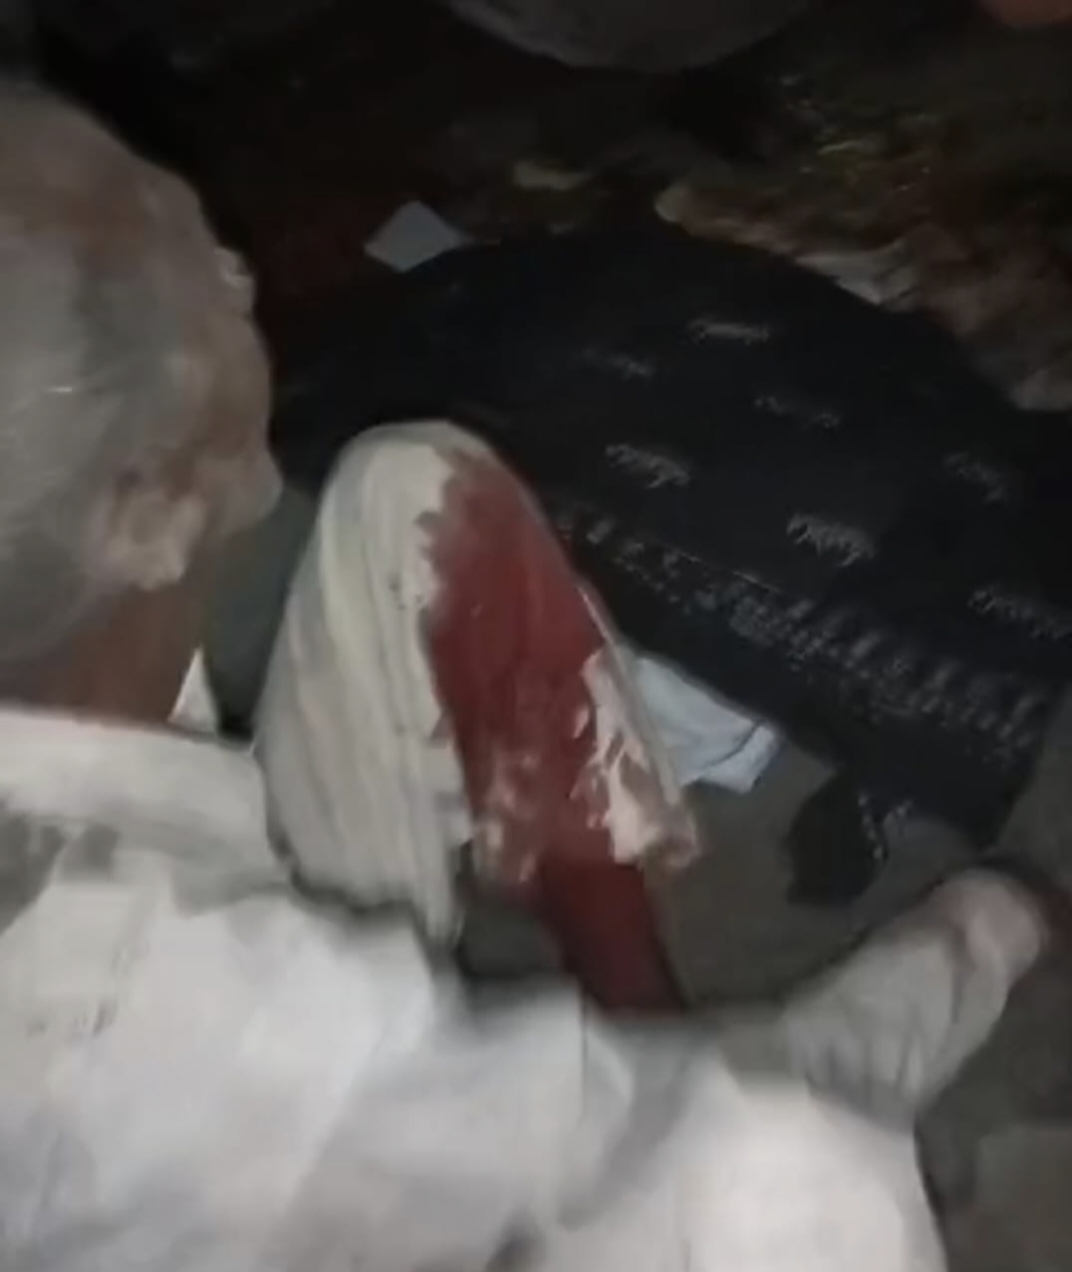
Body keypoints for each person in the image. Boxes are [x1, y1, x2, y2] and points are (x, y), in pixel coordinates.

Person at [0, 82, 1051, 1271]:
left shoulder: (57, 627)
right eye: (204, 279)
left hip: (203, 921)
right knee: (768, 1176)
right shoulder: (191, 1032)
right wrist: (989, 927)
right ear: (145, 514)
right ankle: (638, 1090)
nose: (239, 282)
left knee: (413, 493)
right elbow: (751, 1166)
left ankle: (634, 1023)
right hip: (263, 1138)